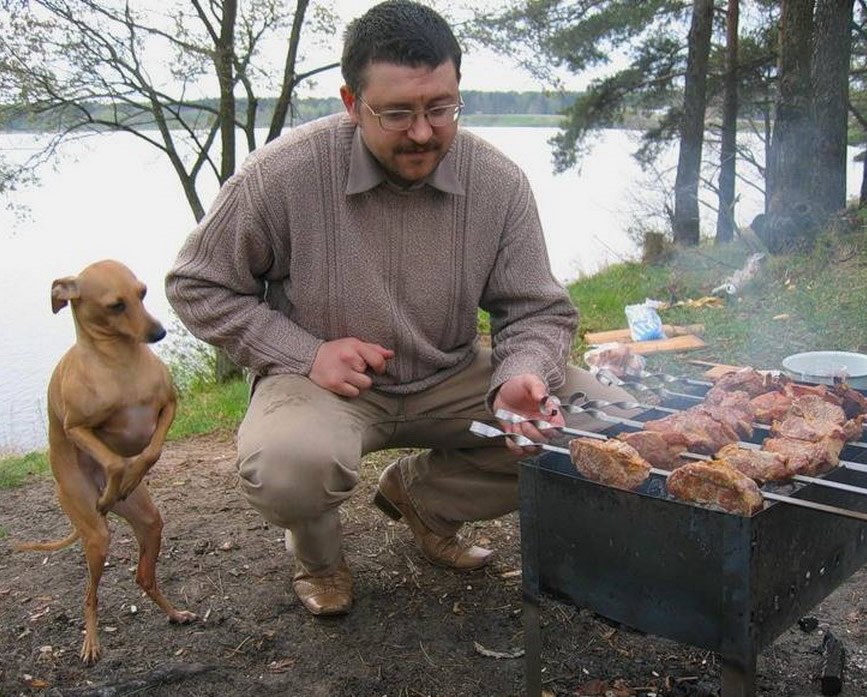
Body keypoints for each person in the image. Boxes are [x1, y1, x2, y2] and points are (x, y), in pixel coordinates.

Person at [166, 0, 633, 617]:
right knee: (290, 467)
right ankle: (320, 558)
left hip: (452, 376)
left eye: (440, 108)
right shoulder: (282, 175)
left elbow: (537, 310)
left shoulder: (498, 182)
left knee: (604, 421)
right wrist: (305, 353)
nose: (422, 132)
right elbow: (196, 284)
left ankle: (425, 499)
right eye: (397, 112)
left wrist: (523, 373)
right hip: (329, 386)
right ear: (351, 103)